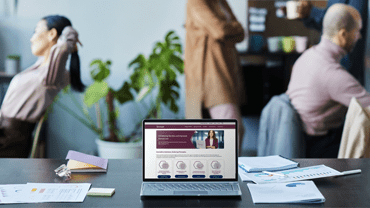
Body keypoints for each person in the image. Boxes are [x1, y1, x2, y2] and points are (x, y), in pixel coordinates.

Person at [286, 4, 370, 158]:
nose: (359, 37)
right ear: (343, 34)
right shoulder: (333, 74)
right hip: (320, 148)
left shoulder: (307, 56)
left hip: (303, 140)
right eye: (357, 31)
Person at [0, 15, 84, 158]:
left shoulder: (53, 75)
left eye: (36, 31)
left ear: (52, 34)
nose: (32, 38)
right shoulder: (40, 68)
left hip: (8, 141)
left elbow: (62, 49)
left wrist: (69, 33)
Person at [185, 0, 245, 153]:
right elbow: (219, 30)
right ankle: (225, 172)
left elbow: (241, 33)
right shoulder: (196, 2)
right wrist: (232, 28)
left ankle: (221, 171)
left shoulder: (221, 1)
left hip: (225, 70)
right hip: (209, 73)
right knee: (233, 129)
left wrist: (231, 29)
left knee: (228, 132)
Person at [296, 0, 368, 85]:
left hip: (345, 66)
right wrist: (307, 14)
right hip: (331, 63)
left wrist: (312, 12)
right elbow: (330, 24)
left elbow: (347, 24)